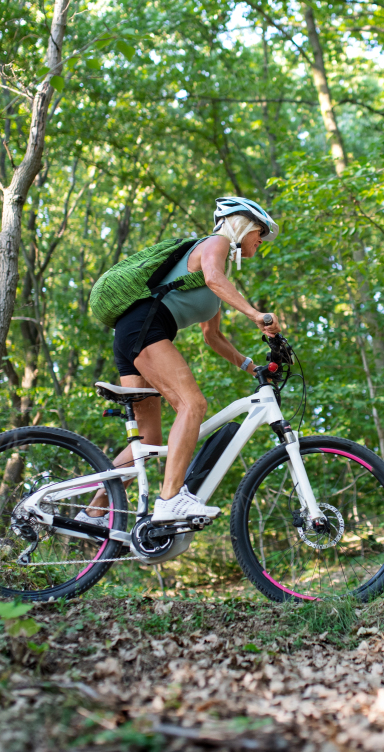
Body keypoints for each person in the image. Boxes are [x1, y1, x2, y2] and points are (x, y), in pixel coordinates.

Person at [80, 197, 281, 526]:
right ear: (241, 224)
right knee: (192, 404)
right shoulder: (215, 243)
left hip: (135, 334)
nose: (261, 239)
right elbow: (216, 278)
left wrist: (250, 366)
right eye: (259, 231)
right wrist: (255, 314)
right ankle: (170, 499)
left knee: (149, 440)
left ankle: (93, 512)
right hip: (146, 328)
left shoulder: (212, 276)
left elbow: (212, 337)